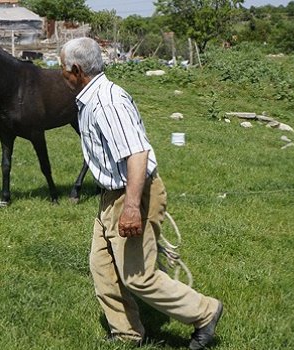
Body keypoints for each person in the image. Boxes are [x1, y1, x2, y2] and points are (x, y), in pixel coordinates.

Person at [60, 37, 223, 349]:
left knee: (139, 276)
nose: (61, 75)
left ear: (77, 70)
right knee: (102, 266)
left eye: (62, 69)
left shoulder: (107, 102)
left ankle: (205, 312)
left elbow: (137, 154)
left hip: (132, 194)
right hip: (112, 195)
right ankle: (126, 333)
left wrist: (132, 207)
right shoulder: (93, 96)